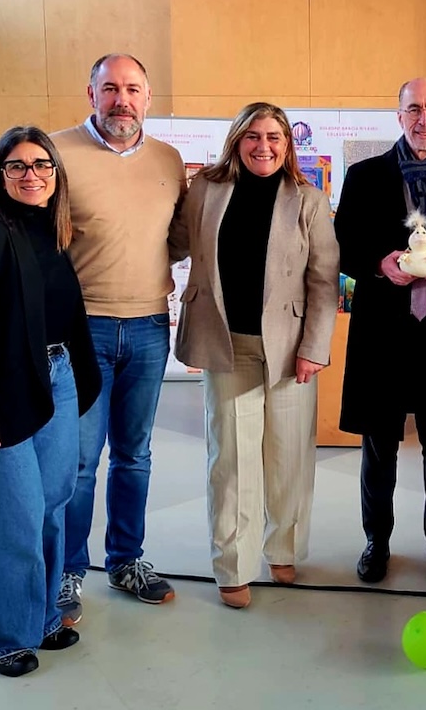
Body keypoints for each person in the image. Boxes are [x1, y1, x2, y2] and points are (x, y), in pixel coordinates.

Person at [0, 127, 101, 677]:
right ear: (0, 176)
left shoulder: (55, 237)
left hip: (56, 379)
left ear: (56, 174)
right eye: (17, 166)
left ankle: (43, 616)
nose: (31, 175)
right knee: (13, 520)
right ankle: (5, 638)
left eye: (41, 164)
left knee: (52, 505)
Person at [169, 103, 340, 608]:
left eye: (274, 137)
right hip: (227, 344)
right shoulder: (205, 189)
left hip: (290, 348)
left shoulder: (309, 200)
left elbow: (323, 280)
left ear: (287, 146)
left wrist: (314, 348)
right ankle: (233, 565)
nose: (263, 146)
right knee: (232, 461)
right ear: (237, 141)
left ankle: (283, 547)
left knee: (289, 455)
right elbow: (173, 244)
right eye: (253, 136)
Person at [333, 78, 426, 586]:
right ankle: (376, 541)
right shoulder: (363, 177)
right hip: (382, 332)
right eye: (414, 109)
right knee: (379, 445)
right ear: (398, 115)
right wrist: (378, 264)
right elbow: (344, 245)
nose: (423, 119)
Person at [52, 54, 187, 624]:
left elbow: (177, 238)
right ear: (91, 94)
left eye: (133, 89)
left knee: (134, 455)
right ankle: (67, 572)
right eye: (110, 88)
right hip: (81, 329)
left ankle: (126, 561)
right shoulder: (57, 152)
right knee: (80, 461)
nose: (122, 100)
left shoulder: (168, 159)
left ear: (148, 98)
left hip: (150, 325)